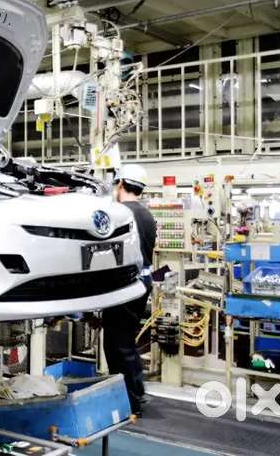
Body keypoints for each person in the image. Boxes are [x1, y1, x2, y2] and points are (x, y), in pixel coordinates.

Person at [102, 164, 157, 416]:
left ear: (121, 184)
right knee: (127, 342)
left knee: (117, 346)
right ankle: (137, 392)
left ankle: (129, 404)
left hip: (124, 285)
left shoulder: (120, 213)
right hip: (142, 283)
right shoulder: (146, 214)